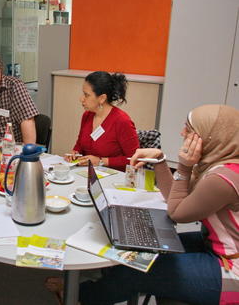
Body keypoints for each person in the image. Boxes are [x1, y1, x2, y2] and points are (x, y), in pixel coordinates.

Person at [79, 104, 239, 305]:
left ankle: (79, 297)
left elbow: (177, 213)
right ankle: (105, 289)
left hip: (232, 268)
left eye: (189, 130)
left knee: (139, 269)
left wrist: (184, 166)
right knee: (148, 249)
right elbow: (174, 196)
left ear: (209, 138)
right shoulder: (218, 165)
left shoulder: (223, 178)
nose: (182, 133)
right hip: (215, 246)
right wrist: (161, 161)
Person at [66, 71, 139, 171]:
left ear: (102, 98)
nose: (81, 99)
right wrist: (75, 153)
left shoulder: (122, 121)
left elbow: (135, 159)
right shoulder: (87, 115)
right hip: (88, 174)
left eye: (86, 95)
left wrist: (101, 161)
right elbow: (80, 144)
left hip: (115, 179)